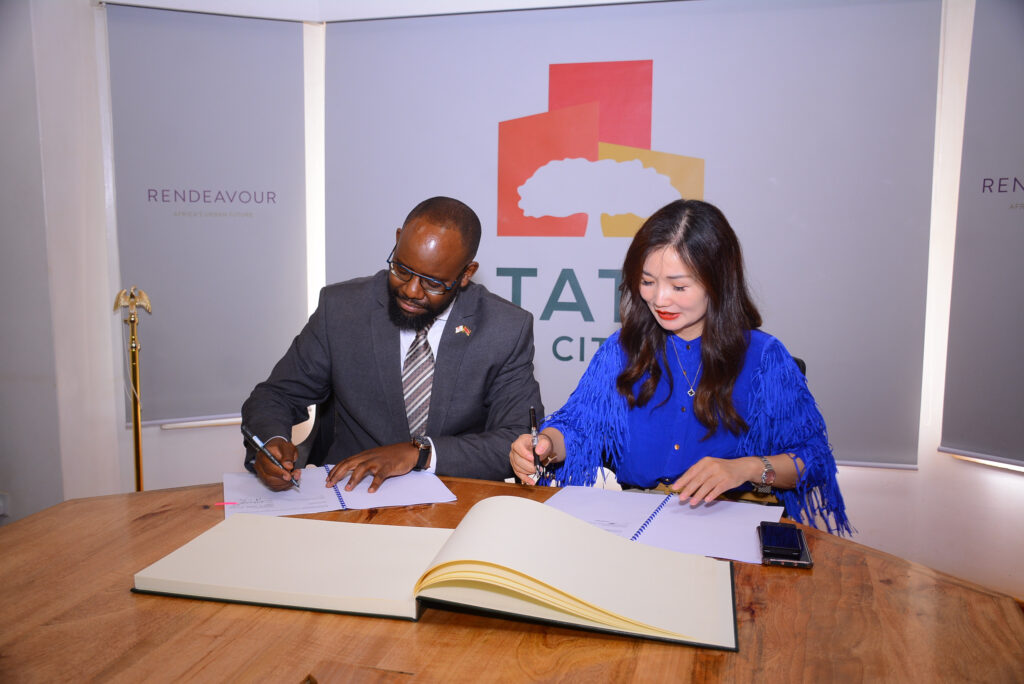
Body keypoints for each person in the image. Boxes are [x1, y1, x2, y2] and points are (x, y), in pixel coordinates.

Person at [510, 199, 850, 534]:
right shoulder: (622, 349)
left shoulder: (763, 358)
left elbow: (813, 459)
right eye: (647, 282)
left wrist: (744, 469)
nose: (660, 299)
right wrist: (546, 445)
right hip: (635, 524)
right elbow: (579, 427)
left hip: (730, 525)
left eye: (679, 286)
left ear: (718, 283)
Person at [244, 196, 543, 493]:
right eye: (401, 269)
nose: (411, 291)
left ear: (466, 273)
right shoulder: (341, 310)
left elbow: (518, 439)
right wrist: (270, 443)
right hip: (348, 496)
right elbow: (276, 396)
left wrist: (420, 453)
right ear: (398, 241)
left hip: (455, 501)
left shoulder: (505, 329)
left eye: (433, 283)